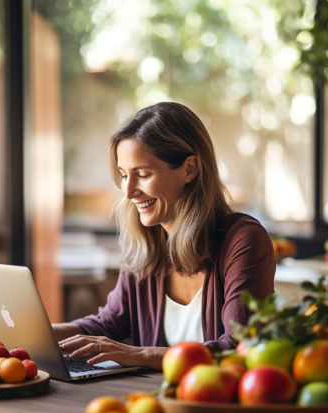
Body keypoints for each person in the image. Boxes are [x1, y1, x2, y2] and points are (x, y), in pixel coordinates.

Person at [55, 102, 275, 370]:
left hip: (214, 405)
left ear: (190, 169)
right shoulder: (144, 242)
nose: (128, 192)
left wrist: (139, 354)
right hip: (148, 399)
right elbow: (108, 324)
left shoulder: (243, 240)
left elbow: (238, 347)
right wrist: (37, 334)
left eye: (144, 174)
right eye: (124, 175)